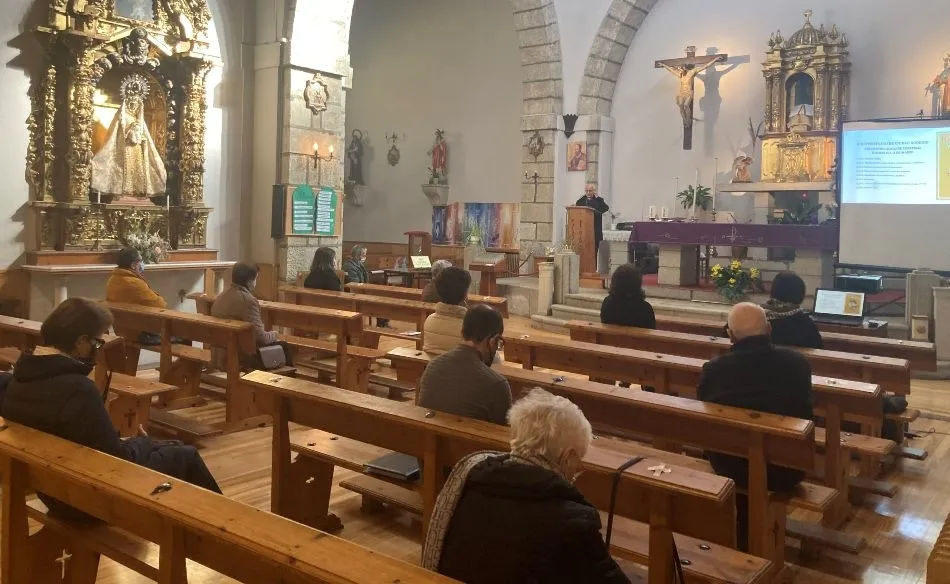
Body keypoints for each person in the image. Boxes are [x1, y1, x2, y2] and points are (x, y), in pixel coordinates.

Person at [1, 298, 221, 520]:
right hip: (87, 500)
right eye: (97, 343)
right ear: (81, 342)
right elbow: (115, 459)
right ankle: (220, 527)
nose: (97, 350)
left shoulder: (18, 378)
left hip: (54, 490)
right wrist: (141, 442)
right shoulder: (77, 389)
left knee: (167, 448)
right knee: (186, 455)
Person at [422, 388, 630, 583]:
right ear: (567, 457)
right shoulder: (573, 520)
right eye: (578, 462)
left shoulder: (469, 474)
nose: (577, 471)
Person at [697, 302, 813, 551]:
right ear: (769, 329)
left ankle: (742, 537)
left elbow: (705, 415)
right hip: (787, 469)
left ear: (730, 335)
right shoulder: (798, 364)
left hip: (728, 465)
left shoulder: (714, 370)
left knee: (738, 448)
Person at [419, 305, 511, 425]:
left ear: (462, 331)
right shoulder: (497, 384)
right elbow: (503, 432)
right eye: (498, 343)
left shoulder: (432, 366)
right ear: (493, 339)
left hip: (428, 435)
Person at [211, 262, 291, 370]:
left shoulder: (222, 296)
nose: (256, 282)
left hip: (220, 352)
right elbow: (261, 339)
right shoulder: (248, 301)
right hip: (240, 356)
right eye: (256, 279)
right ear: (249, 282)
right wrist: (276, 334)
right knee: (284, 346)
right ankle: (288, 379)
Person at [105, 247, 168, 345]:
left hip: (121, 329)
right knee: (182, 334)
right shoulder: (134, 283)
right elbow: (161, 305)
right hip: (138, 333)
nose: (142, 264)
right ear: (133, 265)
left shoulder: (112, 280)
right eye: (140, 261)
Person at [762, 272, 823, 349]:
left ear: (773, 290)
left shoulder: (757, 316)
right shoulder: (804, 322)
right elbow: (818, 346)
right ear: (800, 294)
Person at [422, 267, 470, 355]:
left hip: (431, 363)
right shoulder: (469, 326)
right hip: (458, 363)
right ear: (465, 294)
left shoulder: (429, 319)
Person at [340, 244, 389, 327]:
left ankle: (383, 323)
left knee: (384, 297)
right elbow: (354, 283)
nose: (365, 256)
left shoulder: (358, 263)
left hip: (362, 290)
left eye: (365, 254)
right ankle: (382, 324)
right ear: (357, 254)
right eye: (363, 254)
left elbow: (364, 278)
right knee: (380, 301)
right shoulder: (349, 266)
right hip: (354, 294)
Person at [600, 264, 655, 329]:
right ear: (637, 284)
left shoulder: (607, 304)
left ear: (615, 282)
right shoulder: (645, 309)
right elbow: (651, 330)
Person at [575, 184, 609, 256]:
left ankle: (594, 263)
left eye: (590, 191)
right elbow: (577, 208)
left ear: (594, 191)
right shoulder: (581, 200)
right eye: (586, 191)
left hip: (595, 230)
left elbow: (606, 208)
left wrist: (597, 198)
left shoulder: (599, 200)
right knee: (583, 253)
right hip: (583, 231)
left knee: (593, 253)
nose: (588, 192)